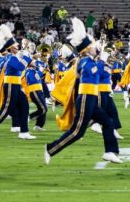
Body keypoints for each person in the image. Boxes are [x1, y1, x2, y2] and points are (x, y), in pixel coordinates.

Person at [44, 18, 122, 164]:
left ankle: (110, 152)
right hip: (86, 99)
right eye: (92, 46)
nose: (95, 47)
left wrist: (102, 61)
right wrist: (102, 61)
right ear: (86, 49)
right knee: (77, 132)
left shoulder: (90, 60)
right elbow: (92, 72)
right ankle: (50, 149)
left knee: (108, 122)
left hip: (91, 99)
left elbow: (99, 73)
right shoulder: (85, 61)